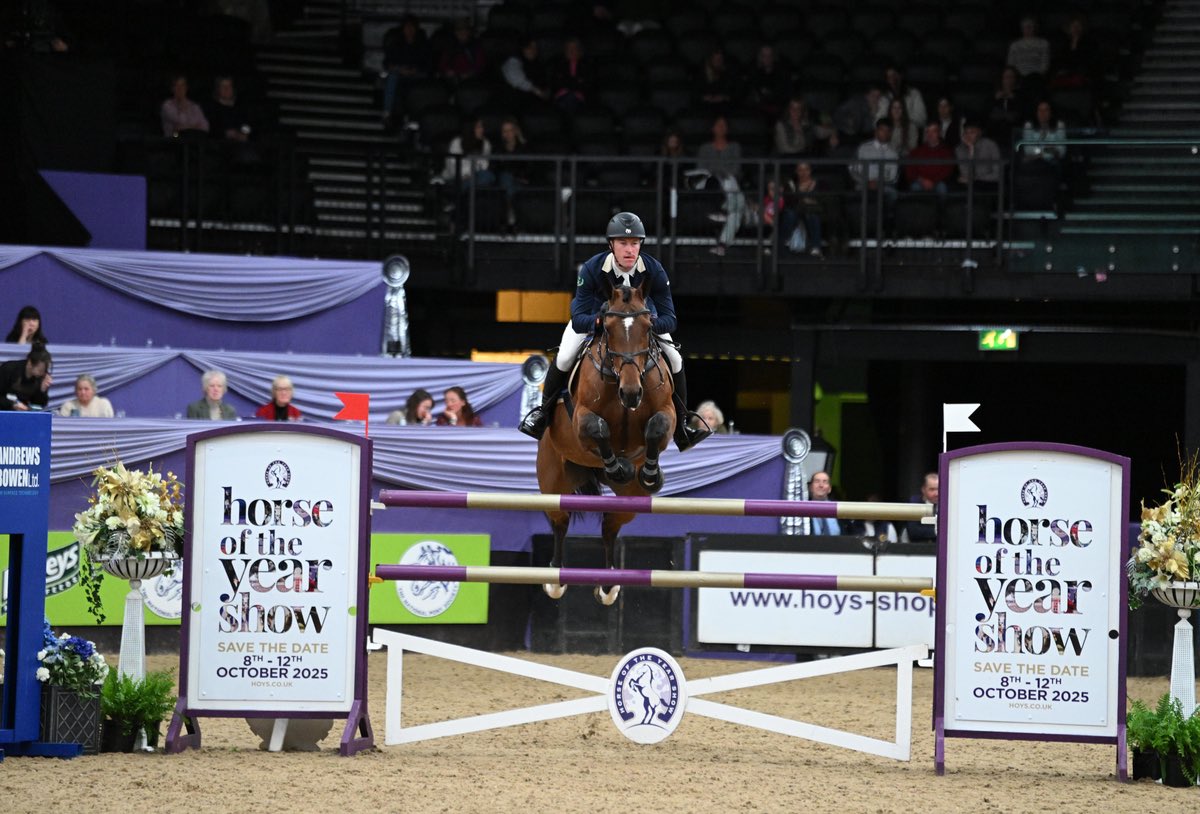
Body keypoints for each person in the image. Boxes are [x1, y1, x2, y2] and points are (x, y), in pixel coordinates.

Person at [518, 212, 710, 452]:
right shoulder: (592, 268)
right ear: (611, 245)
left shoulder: (654, 270)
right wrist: (601, 323)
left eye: (634, 243)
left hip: (641, 326)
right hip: (595, 321)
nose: (630, 250)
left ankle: (682, 426)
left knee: (675, 358)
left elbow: (670, 319)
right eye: (623, 243)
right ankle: (542, 415)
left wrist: (648, 326)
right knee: (566, 355)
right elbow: (578, 319)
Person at [697, 115, 746, 257]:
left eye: (724, 125)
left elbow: (735, 169)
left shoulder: (734, 147)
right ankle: (721, 210)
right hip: (710, 184)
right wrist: (718, 172)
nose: (721, 128)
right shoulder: (705, 148)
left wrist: (720, 171)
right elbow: (701, 168)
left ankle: (722, 244)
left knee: (736, 211)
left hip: (729, 183)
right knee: (736, 205)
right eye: (718, 125)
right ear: (712, 128)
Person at [381, 14, 432, 127]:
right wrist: (398, 69)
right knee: (392, 78)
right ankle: (387, 112)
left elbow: (428, 63)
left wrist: (415, 70)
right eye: (407, 27)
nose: (409, 30)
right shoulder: (396, 43)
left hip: (417, 74)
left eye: (412, 27)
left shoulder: (423, 44)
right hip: (400, 74)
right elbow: (387, 63)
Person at [780, 160, 824, 257]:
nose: (803, 173)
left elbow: (824, 201)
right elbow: (788, 201)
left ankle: (816, 247)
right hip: (796, 211)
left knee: (811, 215)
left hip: (812, 211)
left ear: (810, 171)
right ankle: (781, 244)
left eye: (806, 170)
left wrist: (812, 202)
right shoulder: (791, 184)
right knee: (790, 214)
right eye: (800, 170)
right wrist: (803, 200)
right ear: (796, 171)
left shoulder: (818, 184)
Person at [905, 122, 955, 197]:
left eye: (933, 131)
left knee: (942, 189)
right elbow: (910, 170)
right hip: (920, 182)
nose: (930, 134)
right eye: (928, 131)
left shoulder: (947, 152)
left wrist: (933, 181)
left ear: (939, 133)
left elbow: (947, 171)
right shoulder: (917, 151)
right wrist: (922, 180)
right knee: (915, 187)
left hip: (939, 182)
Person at [0, 343, 52, 411]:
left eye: (45, 370)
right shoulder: (8, 369)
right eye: (40, 370)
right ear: (30, 363)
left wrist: (42, 390)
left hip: (23, 414)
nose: (43, 373)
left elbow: (38, 405)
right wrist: (11, 404)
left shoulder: (41, 378)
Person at [955, 120, 1003, 193]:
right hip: (970, 184)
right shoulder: (959, 149)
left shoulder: (990, 145)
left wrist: (975, 179)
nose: (968, 136)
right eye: (966, 133)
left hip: (989, 183)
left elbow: (997, 174)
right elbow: (965, 174)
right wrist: (971, 152)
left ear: (979, 133)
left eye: (972, 132)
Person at [875, 65, 927, 131]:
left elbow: (922, 120)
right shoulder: (885, 98)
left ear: (901, 76)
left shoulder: (914, 94)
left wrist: (902, 120)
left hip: (910, 133)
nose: (892, 79)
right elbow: (878, 121)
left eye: (894, 75)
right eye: (889, 77)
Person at [549, 37, 590, 113]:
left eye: (574, 48)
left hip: (579, 96)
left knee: (570, 101)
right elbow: (556, 82)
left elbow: (587, 84)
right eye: (568, 48)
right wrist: (576, 81)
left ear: (579, 50)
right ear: (565, 51)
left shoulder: (586, 64)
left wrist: (566, 81)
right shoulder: (558, 64)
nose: (571, 51)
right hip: (561, 96)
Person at [500, 38, 548, 104]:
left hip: (533, 101)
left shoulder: (537, 63)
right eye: (529, 47)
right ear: (522, 49)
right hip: (514, 101)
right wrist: (538, 91)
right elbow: (518, 80)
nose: (533, 50)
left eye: (535, 48)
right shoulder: (513, 61)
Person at [436, 18, 484, 84]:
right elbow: (443, 65)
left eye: (465, 30)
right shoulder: (450, 46)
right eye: (458, 30)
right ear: (455, 33)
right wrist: (448, 72)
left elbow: (479, 66)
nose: (462, 33)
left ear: (469, 32)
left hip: (471, 81)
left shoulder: (475, 47)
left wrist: (469, 74)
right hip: (453, 80)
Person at [160, 74, 209, 138]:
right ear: (172, 88)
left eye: (182, 85)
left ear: (186, 88)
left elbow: (205, 127)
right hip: (173, 141)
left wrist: (187, 127)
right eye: (176, 85)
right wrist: (195, 126)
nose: (180, 88)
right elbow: (180, 122)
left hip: (193, 140)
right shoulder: (167, 106)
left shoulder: (194, 106)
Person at [1007, 16, 1051, 82]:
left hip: (1037, 78)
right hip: (1019, 78)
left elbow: (1045, 64)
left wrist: (1037, 76)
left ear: (1035, 27)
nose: (1027, 29)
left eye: (1030, 26)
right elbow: (1011, 64)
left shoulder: (1043, 44)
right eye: (1025, 27)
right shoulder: (1015, 45)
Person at [903, 472, 939, 542]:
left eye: (938, 489)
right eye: (932, 489)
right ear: (923, 489)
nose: (936, 493)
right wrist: (940, 532)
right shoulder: (914, 503)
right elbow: (914, 531)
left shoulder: (949, 504)